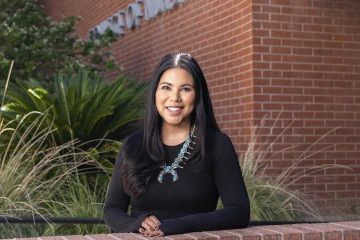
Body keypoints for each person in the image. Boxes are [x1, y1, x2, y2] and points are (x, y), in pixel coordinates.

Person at [103, 52, 250, 237]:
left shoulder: (216, 144)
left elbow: (239, 211)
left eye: (185, 89)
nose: (175, 98)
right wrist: (136, 224)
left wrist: (179, 225)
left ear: (197, 95)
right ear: (155, 92)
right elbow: (112, 209)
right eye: (166, 87)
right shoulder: (133, 145)